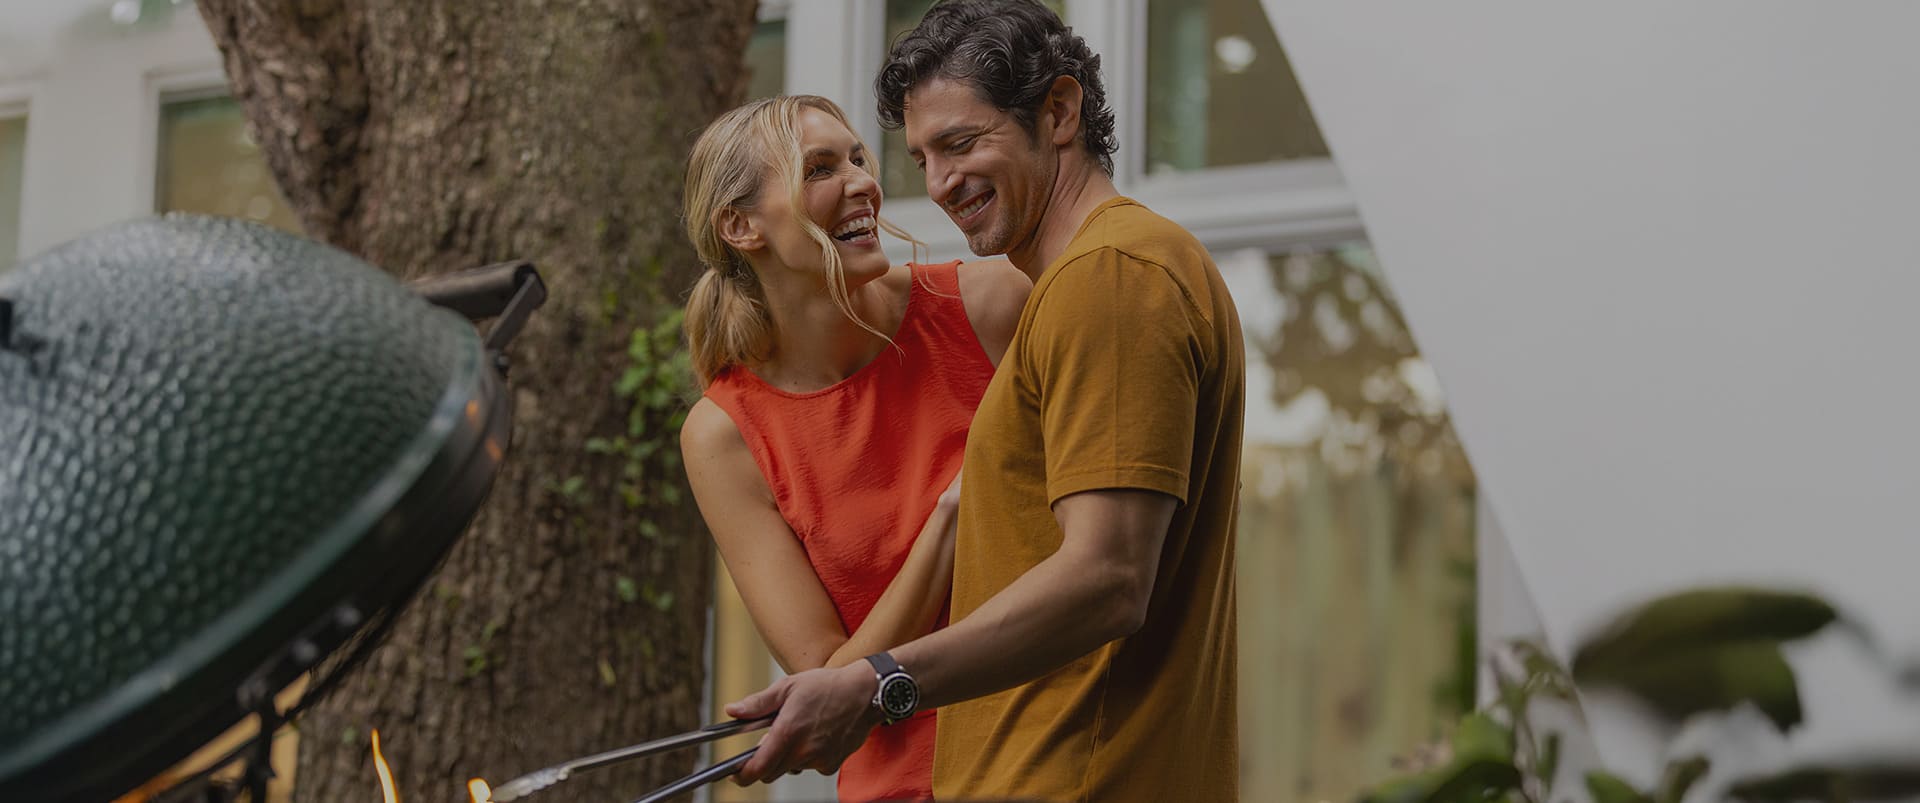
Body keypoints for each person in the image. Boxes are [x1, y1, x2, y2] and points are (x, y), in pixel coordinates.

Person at [722, 2, 1246, 801]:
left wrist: (877, 682)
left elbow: (1108, 576)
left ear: (1060, 112)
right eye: (924, 157)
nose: (938, 185)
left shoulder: (1108, 277)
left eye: (962, 144)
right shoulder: (1088, 280)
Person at [677, 94, 1030, 802]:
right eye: (819, 168)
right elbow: (833, 678)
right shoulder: (724, 435)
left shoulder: (995, 307)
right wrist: (954, 515)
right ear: (741, 225)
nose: (864, 181)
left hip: (1053, 761)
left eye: (859, 158)